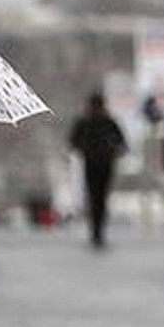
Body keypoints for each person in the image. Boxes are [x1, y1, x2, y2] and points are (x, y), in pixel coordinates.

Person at [68, 93, 127, 248]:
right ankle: (97, 230)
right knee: (99, 198)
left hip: (94, 164)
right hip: (101, 164)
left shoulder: (87, 122)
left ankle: (96, 230)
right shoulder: (106, 122)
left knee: (96, 198)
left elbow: (73, 142)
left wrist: (84, 149)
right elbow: (121, 142)